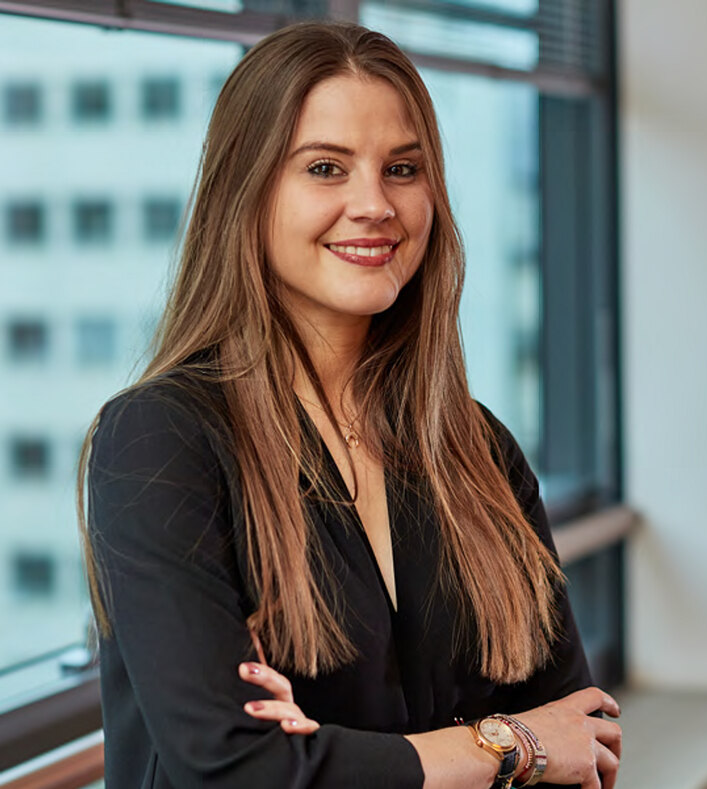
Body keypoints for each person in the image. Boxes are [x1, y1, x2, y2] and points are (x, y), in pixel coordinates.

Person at [78, 20, 621, 789]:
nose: (374, 204)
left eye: (403, 168)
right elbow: (233, 769)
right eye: (326, 167)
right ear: (247, 188)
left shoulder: (476, 448)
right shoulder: (162, 441)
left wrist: (323, 758)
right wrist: (507, 743)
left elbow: (583, 746)